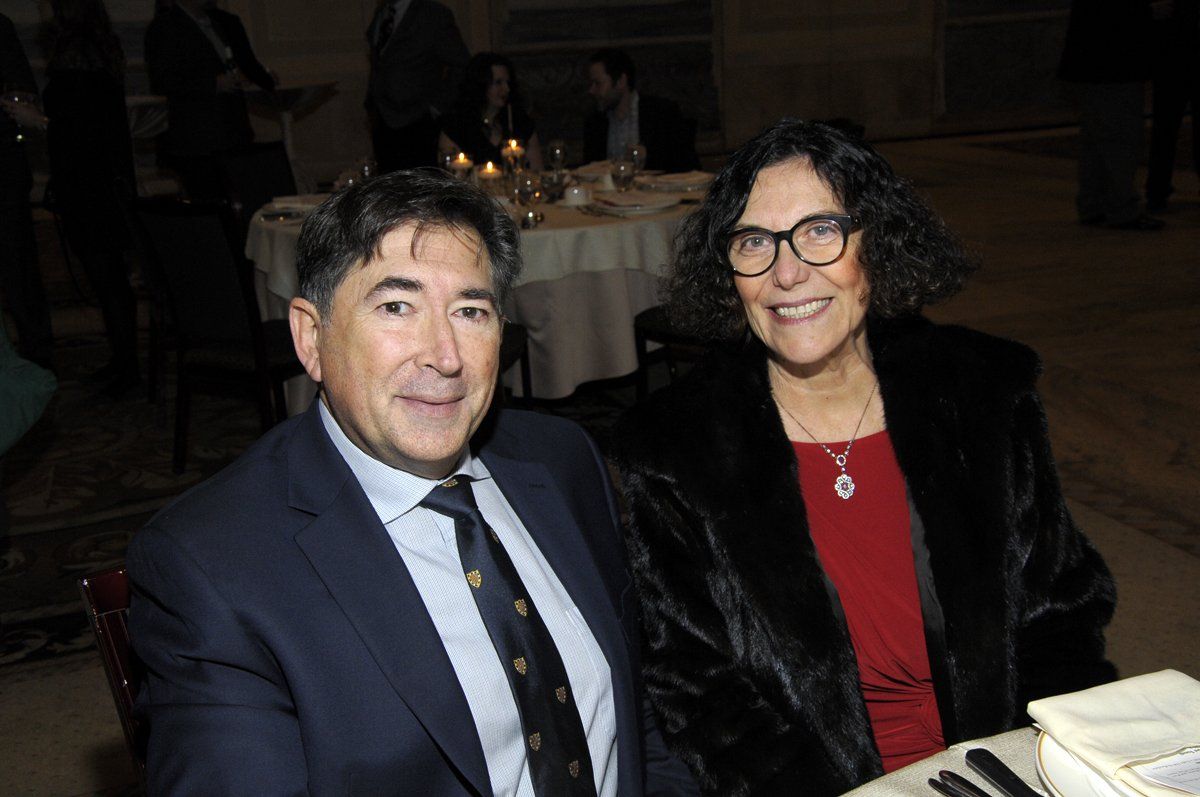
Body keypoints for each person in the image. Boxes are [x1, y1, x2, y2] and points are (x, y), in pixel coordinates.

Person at [127, 169, 699, 796]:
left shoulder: (562, 462)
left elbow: (642, 711)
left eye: (470, 311)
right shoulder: (212, 567)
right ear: (311, 338)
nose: (445, 355)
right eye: (396, 306)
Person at [611, 119, 1117, 796]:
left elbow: (1062, 610)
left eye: (820, 230)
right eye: (754, 242)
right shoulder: (676, 450)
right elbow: (697, 689)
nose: (787, 273)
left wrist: (1033, 767)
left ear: (873, 241)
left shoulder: (983, 395)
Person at [42, 0, 139, 395]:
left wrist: (42, 122)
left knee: (108, 280)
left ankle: (127, 368)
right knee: (112, 280)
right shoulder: (101, 54)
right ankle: (124, 363)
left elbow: (76, 135)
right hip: (104, 186)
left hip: (89, 190)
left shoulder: (75, 63)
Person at [144, 0, 276, 200]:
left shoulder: (221, 22)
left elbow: (245, 60)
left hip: (233, 132)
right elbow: (163, 80)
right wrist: (212, 83)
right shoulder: (165, 27)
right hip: (198, 139)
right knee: (209, 201)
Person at [1058, 0, 1163, 230]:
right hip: (1114, 61)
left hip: (1094, 60)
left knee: (1096, 138)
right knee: (1120, 138)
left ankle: (1093, 203)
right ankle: (1120, 207)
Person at [0, 12, 55, 370]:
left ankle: (37, 358)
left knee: (17, 268)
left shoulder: (0, 28)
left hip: (2, 172)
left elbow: (22, 92)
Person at [366, 0, 469, 173]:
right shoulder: (383, 13)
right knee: (388, 187)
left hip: (418, 120)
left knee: (421, 186)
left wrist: (435, 107)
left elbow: (462, 64)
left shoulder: (433, 14)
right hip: (383, 119)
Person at [583, 48, 700, 173]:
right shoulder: (594, 122)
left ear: (621, 81)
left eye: (598, 83)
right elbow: (590, 170)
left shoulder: (661, 113)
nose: (592, 90)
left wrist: (648, 155)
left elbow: (688, 164)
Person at [439, 52, 545, 171]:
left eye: (508, 83)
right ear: (481, 85)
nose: (506, 89)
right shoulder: (456, 127)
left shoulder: (520, 124)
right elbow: (447, 177)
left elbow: (537, 173)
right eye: (498, 83)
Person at [1145, 0, 1199, 212]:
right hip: (1175, 55)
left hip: (1171, 56)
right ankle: (1157, 190)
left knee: (1164, 129)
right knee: (1165, 129)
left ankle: (1157, 191)